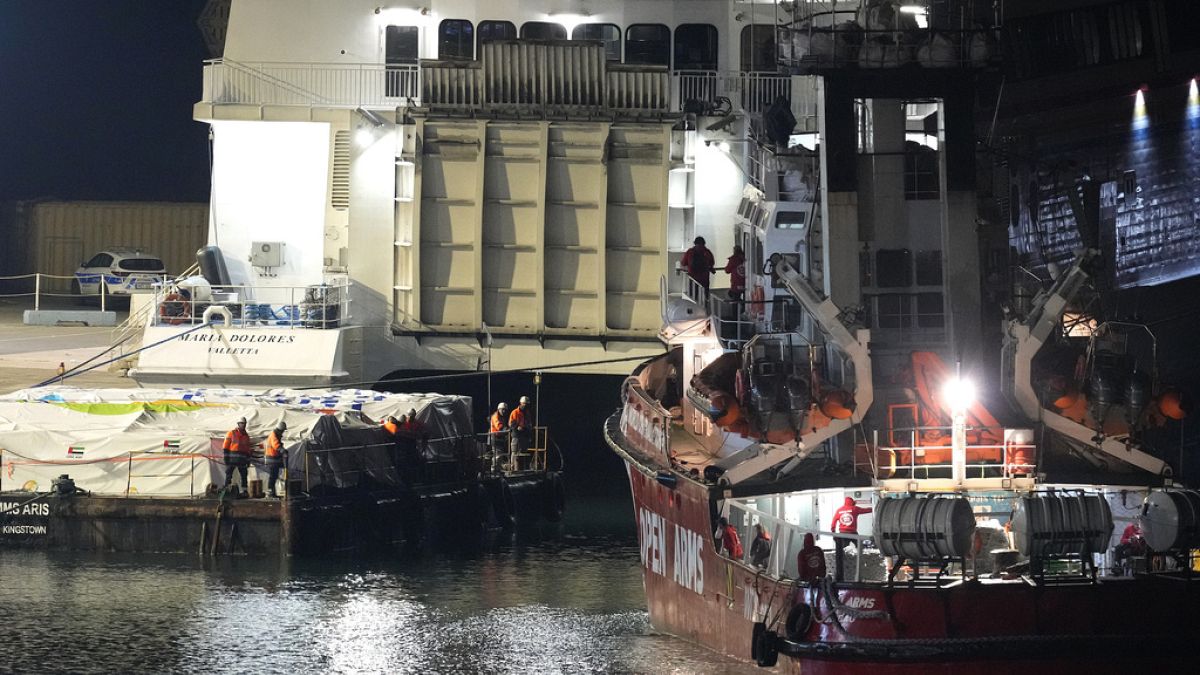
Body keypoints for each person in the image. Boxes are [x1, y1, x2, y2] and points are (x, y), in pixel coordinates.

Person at [830, 496, 872, 580]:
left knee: (841, 551)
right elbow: (866, 510)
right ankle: (864, 562)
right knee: (860, 547)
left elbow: (833, 523)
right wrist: (874, 508)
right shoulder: (854, 509)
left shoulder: (839, 510)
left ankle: (840, 571)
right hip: (852, 533)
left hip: (842, 534)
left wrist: (833, 533)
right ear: (852, 502)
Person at [222, 417, 252, 492]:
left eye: (244, 423)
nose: (243, 425)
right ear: (238, 424)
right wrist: (226, 457)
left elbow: (247, 449)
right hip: (232, 459)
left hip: (242, 460)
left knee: (244, 475)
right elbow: (225, 446)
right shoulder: (231, 433)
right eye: (242, 423)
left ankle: (244, 491)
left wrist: (248, 460)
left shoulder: (246, 436)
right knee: (229, 475)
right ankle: (226, 490)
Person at [263, 421, 286, 498]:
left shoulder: (276, 435)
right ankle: (270, 492)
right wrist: (282, 450)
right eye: (283, 430)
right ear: (280, 429)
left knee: (274, 476)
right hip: (271, 459)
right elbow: (276, 445)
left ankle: (272, 492)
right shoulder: (274, 435)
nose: (283, 432)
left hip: (274, 459)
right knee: (273, 476)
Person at [508, 395, 532, 471]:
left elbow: (529, 424)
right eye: (524, 404)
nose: (525, 405)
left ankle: (521, 469)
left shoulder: (527, 413)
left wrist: (529, 433)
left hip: (524, 435)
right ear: (520, 403)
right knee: (515, 452)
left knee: (523, 452)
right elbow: (511, 424)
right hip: (516, 435)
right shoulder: (515, 412)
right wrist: (517, 427)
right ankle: (513, 468)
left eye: (527, 404)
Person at [489, 402, 510, 472]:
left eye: (505, 410)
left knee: (499, 455)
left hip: (500, 438)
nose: (504, 411)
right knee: (497, 455)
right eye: (503, 410)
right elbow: (499, 427)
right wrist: (507, 430)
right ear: (499, 409)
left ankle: (497, 470)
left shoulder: (502, 417)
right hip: (495, 438)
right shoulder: (496, 416)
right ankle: (494, 471)